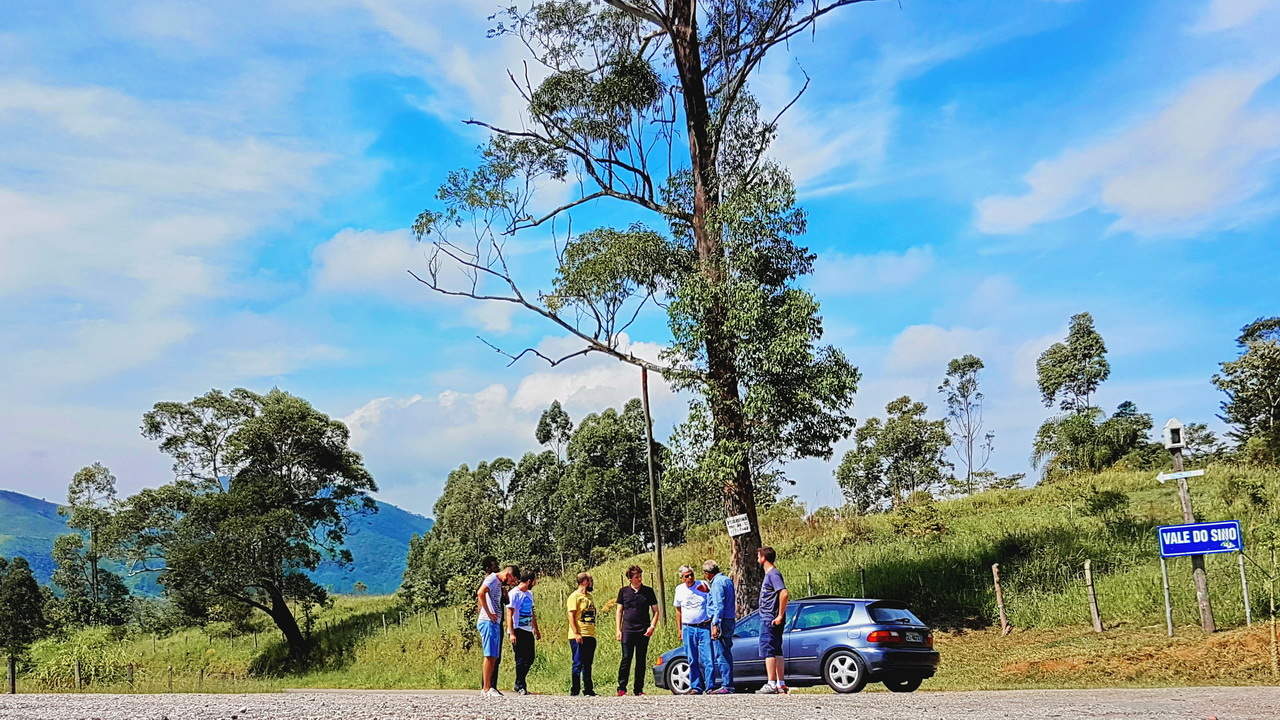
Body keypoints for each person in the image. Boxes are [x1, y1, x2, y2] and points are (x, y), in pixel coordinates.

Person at [614, 565, 660, 696]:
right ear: (630, 579)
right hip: (627, 630)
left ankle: (638, 689)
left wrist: (652, 626)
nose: (639, 579)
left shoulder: (648, 591)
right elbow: (619, 611)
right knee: (626, 658)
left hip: (643, 630)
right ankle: (621, 688)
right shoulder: (623, 591)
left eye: (640, 576)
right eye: (636, 577)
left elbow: (656, 611)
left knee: (641, 660)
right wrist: (618, 630)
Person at [476, 557, 519, 697]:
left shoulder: (499, 583)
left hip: (495, 622)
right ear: (509, 574)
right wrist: (489, 612)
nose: (511, 584)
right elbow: (480, 593)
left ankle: (490, 687)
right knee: (489, 655)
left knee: (494, 656)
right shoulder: (492, 578)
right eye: (512, 581)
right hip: (488, 621)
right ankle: (486, 688)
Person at [672, 565, 713, 695]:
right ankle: (696, 686)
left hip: (704, 627)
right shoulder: (679, 589)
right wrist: (679, 629)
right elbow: (678, 611)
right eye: (686, 576)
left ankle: (710, 686)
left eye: (691, 575)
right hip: (688, 627)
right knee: (692, 659)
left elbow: (711, 602)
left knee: (708, 659)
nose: (690, 578)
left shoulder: (703, 584)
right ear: (682, 578)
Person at [755, 546, 789, 694]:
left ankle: (771, 683)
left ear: (763, 558)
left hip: (770, 618)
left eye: (758, 556)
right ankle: (780, 683)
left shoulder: (773, 574)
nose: (757, 559)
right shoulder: (770, 575)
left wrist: (780, 615)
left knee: (768, 650)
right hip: (771, 617)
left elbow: (784, 593)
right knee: (776, 650)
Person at [703, 559, 736, 694]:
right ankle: (728, 683)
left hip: (721, 621)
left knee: (721, 653)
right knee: (726, 651)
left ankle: (727, 684)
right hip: (730, 619)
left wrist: (715, 624)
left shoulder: (716, 583)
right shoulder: (727, 580)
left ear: (708, 573)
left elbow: (718, 605)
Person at [507, 569, 541, 696]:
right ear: (529, 581)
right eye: (534, 581)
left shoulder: (529, 594)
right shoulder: (514, 594)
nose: (534, 583)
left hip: (527, 629)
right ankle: (520, 685)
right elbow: (509, 614)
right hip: (517, 629)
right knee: (520, 658)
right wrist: (511, 633)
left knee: (530, 657)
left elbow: (532, 612)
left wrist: (536, 629)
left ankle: (519, 681)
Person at [566, 572, 598, 696]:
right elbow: (571, 615)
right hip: (579, 634)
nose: (591, 583)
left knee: (588, 663)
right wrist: (576, 632)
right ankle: (575, 689)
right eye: (589, 580)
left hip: (590, 633)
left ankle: (588, 689)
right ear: (584, 581)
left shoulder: (590, 597)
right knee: (578, 662)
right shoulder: (574, 596)